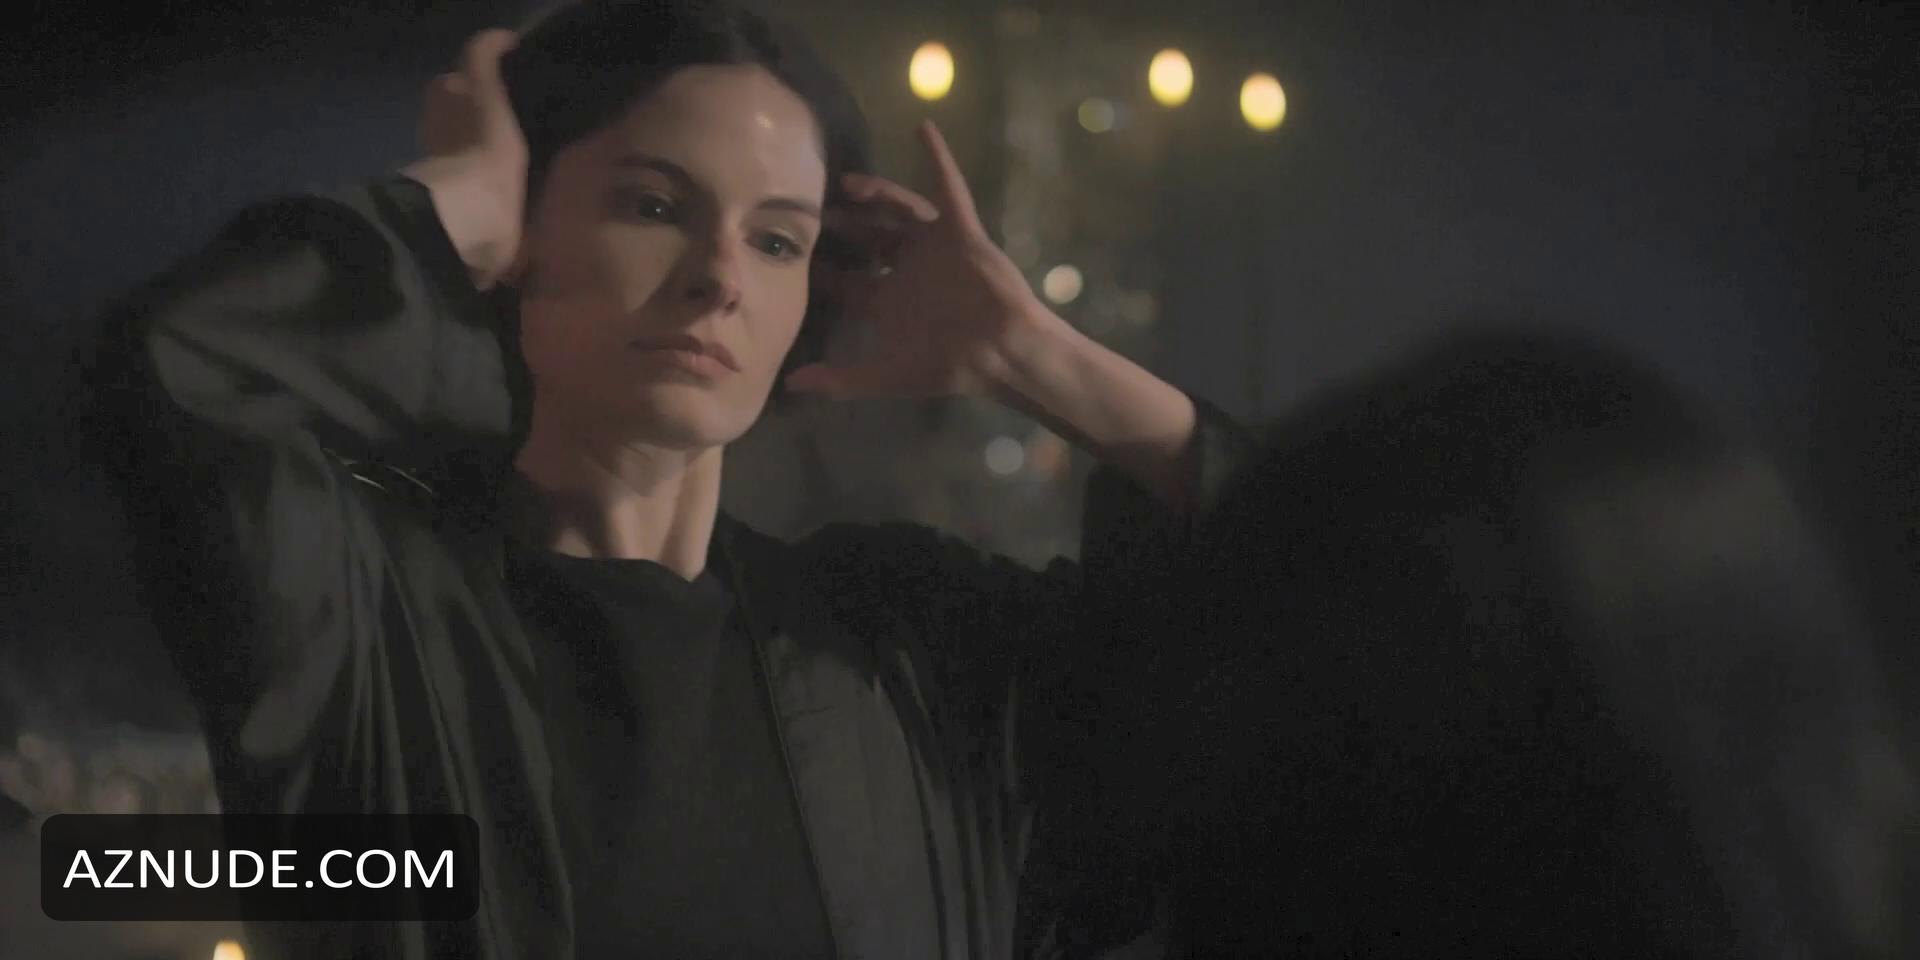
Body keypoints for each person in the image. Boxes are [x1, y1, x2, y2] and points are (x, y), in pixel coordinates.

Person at [81, 1, 1249, 957]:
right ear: (521, 228)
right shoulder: (370, 618)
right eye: (653, 206)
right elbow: (185, 369)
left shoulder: (908, 655)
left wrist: (1037, 359)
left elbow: (1304, 621)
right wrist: (449, 205)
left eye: (777, 240)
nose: (721, 277)